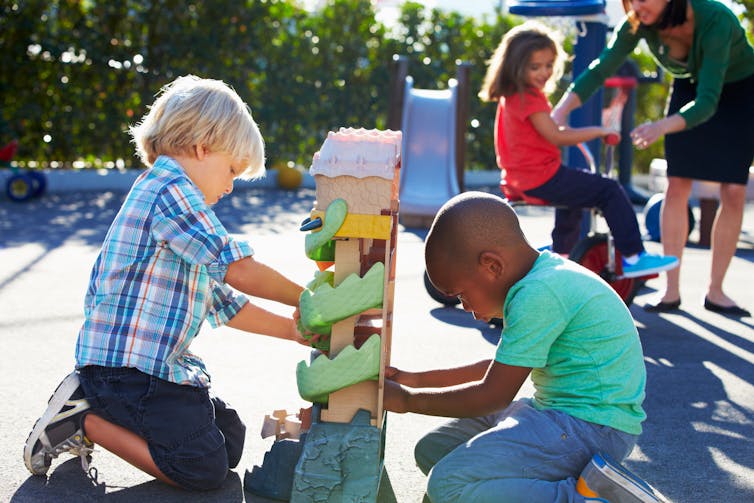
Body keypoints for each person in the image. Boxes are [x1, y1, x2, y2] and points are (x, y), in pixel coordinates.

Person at [23, 75, 310, 490]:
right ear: (201, 147)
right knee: (203, 469)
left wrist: (292, 330)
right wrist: (309, 297)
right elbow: (240, 270)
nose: (230, 186)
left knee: (229, 441)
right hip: (127, 373)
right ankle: (84, 420)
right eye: (231, 170)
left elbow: (225, 303)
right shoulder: (170, 191)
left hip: (145, 373)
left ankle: (96, 410)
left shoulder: (176, 204)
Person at [383, 191, 665, 502]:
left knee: (447, 485)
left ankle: (589, 496)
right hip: (560, 416)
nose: (464, 307)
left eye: (462, 294)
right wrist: (413, 379)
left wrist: (408, 400)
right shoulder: (540, 278)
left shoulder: (538, 294)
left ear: (491, 265)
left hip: (591, 429)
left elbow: (493, 394)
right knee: (434, 451)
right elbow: (499, 370)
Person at [552, 0, 754, 316]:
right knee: (677, 185)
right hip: (689, 87)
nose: (636, 5)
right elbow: (602, 67)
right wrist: (560, 110)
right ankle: (670, 291)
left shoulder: (715, 19)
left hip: (737, 92)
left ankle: (716, 291)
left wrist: (660, 126)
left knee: (733, 190)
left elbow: (708, 102)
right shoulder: (638, 22)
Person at [479, 21, 678, 279]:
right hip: (539, 177)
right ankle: (633, 256)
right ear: (516, 66)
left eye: (549, 65)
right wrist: (600, 131)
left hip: (519, 178)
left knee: (575, 191)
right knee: (609, 189)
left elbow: (542, 133)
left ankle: (561, 254)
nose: (544, 73)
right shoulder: (530, 97)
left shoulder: (511, 97)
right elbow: (556, 136)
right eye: (535, 67)